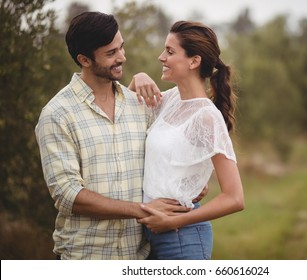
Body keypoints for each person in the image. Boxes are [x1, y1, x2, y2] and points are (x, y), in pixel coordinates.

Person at [34, 12, 192, 260]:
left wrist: (190, 183)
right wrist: (142, 210)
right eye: (111, 53)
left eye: (121, 48)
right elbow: (69, 196)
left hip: (139, 258)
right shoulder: (57, 115)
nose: (122, 58)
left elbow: (164, 160)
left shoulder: (138, 106)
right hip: (85, 258)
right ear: (84, 59)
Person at [130, 21, 245, 260]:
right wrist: (136, 79)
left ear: (194, 61)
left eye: (170, 52)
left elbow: (234, 198)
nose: (161, 57)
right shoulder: (169, 100)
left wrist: (175, 220)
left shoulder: (207, 117)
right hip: (148, 235)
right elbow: (124, 114)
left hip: (182, 238)